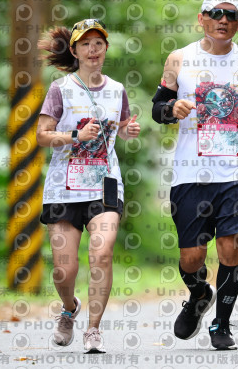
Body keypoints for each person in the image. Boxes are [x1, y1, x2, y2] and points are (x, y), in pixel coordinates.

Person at [151, 0, 238, 350]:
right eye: (215, 13)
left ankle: (221, 325)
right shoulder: (179, 59)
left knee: (230, 248)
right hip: (191, 175)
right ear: (202, 19)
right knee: (191, 258)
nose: (223, 20)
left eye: (231, 15)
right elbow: (158, 108)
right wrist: (171, 109)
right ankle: (199, 294)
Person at [36, 19, 140, 353]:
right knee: (63, 271)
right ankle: (69, 308)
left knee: (102, 253)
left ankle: (93, 330)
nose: (93, 50)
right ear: (75, 50)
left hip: (104, 185)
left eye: (98, 44)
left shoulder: (117, 90)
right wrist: (75, 136)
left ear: (106, 48)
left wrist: (128, 131)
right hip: (63, 188)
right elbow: (42, 136)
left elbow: (121, 128)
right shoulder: (60, 89)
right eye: (85, 44)